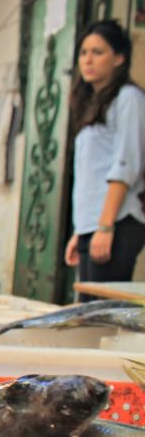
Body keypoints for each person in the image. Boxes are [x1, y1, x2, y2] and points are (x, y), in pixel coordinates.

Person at [63, 19, 145, 298]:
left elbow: (126, 165)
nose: (88, 60)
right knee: (87, 311)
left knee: (100, 314)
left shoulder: (129, 98)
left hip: (117, 222)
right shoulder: (92, 105)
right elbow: (91, 174)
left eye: (98, 52)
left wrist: (105, 226)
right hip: (95, 224)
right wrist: (81, 231)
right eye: (84, 52)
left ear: (119, 58)